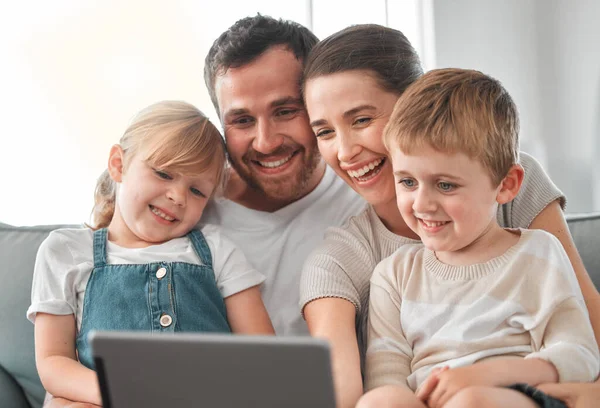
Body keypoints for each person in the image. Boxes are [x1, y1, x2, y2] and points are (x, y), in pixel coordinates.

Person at [300, 24, 600, 408]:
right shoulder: (374, 268)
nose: (344, 152)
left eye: (361, 120)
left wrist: (486, 382)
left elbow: (583, 343)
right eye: (324, 131)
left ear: (414, 103)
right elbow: (364, 388)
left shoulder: (528, 231)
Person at [28, 101, 274, 406]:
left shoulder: (215, 249)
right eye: (164, 173)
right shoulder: (66, 251)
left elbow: (263, 355)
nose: (178, 197)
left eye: (197, 191)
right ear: (118, 164)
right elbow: (53, 362)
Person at [202, 14, 366, 335]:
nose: (266, 142)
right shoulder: (188, 205)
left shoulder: (366, 198)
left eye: (286, 111)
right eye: (242, 120)